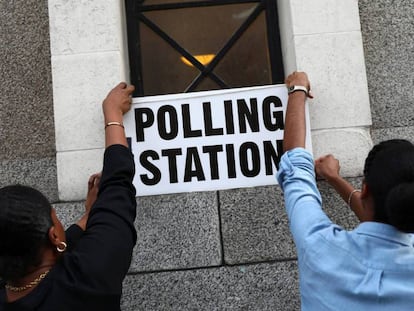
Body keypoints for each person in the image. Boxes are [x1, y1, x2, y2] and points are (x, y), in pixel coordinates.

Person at [277, 71, 414, 310]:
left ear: (365, 188)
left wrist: (297, 90)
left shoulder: (318, 244)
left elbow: (294, 169)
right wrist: (335, 179)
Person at [0, 82, 137, 310]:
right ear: (54, 235)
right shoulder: (86, 279)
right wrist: (112, 113)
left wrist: (86, 218)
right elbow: (117, 186)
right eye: (57, 219)